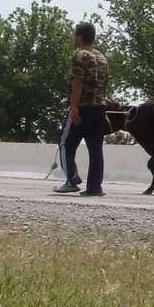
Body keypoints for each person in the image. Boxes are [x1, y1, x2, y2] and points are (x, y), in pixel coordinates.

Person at [55, 22, 109, 197]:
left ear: (79, 37)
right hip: (99, 108)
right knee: (95, 149)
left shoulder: (80, 55)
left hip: (83, 107)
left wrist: (73, 107)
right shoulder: (102, 58)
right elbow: (104, 87)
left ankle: (71, 180)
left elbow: (77, 81)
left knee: (65, 143)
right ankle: (95, 187)